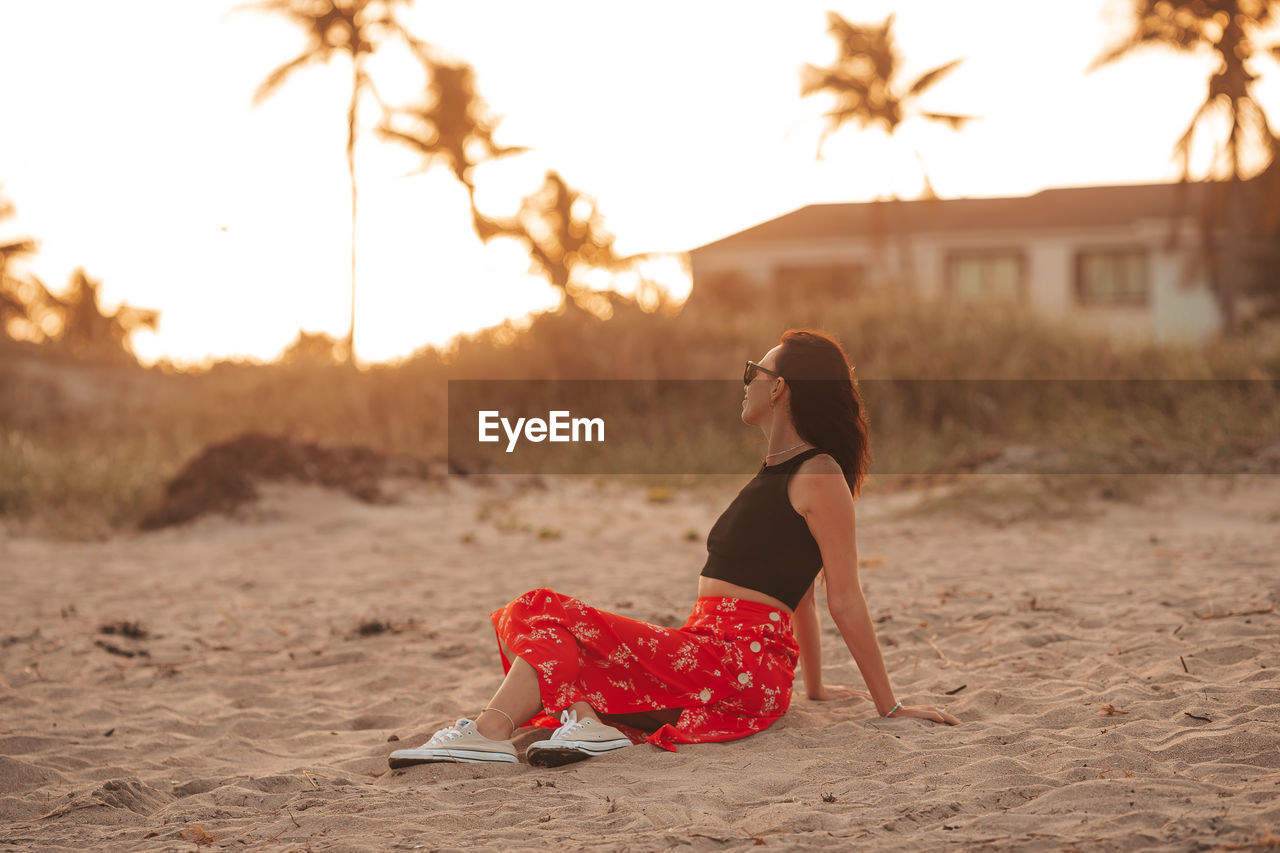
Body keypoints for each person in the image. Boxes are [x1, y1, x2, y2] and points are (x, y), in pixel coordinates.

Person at [389, 329, 960, 769]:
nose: (746, 382)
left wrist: (889, 706)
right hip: (708, 651)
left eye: (752, 372)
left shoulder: (820, 475)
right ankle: (582, 721)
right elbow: (800, 591)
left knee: (542, 608)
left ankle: (490, 734)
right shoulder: (777, 473)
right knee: (545, 626)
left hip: (738, 665)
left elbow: (845, 598)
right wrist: (811, 686)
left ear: (779, 387)